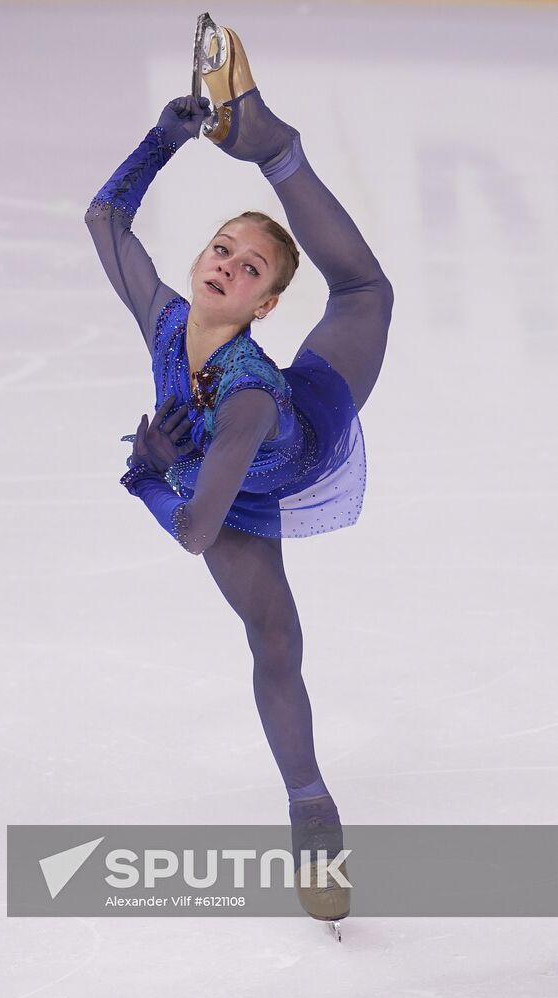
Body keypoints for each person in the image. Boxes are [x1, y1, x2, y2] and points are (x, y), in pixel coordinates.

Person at [84, 23, 394, 928]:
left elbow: (193, 531)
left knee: (366, 294)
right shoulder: (162, 313)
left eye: (248, 266)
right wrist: (165, 138)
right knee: (275, 646)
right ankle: (311, 802)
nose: (225, 263)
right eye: (222, 246)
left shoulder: (256, 396)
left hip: (284, 449)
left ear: (264, 304)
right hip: (213, 479)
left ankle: (278, 151)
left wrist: (156, 468)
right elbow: (106, 220)